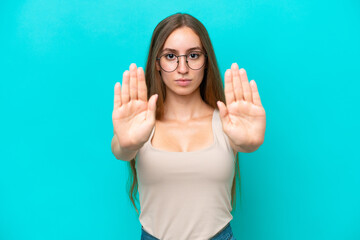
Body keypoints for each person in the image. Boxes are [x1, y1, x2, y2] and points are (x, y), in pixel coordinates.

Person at [111, 12, 266, 240]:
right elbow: (121, 149)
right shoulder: (140, 125)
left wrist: (250, 144)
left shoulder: (228, 122)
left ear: (206, 62)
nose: (182, 68)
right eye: (170, 56)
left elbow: (246, 142)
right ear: (157, 64)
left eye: (193, 55)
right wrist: (126, 144)